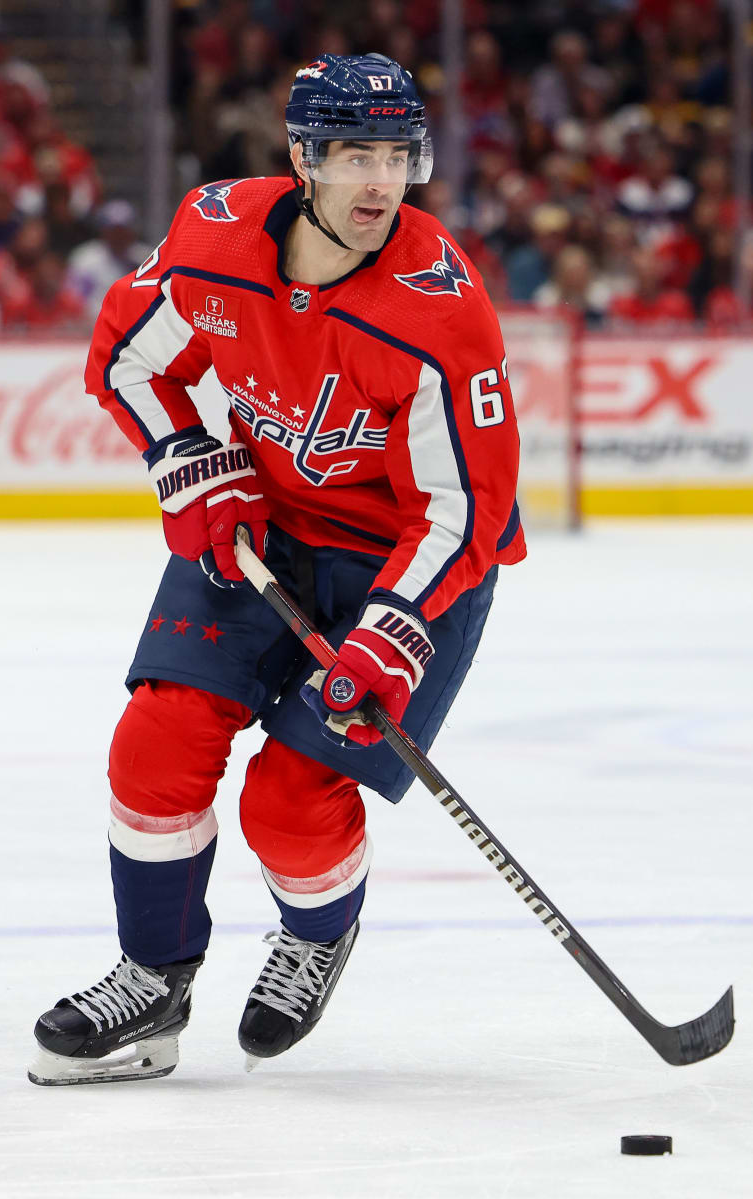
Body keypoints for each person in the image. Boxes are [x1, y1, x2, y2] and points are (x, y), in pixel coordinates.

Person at [28, 52, 525, 1086]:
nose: (380, 183)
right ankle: (150, 977)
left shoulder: (441, 312)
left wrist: (391, 635)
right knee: (155, 741)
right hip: (262, 531)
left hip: (409, 563)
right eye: (354, 154)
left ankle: (316, 928)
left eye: (398, 155)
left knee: (292, 803)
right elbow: (127, 355)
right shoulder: (214, 241)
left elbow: (465, 510)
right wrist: (193, 462)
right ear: (303, 157)